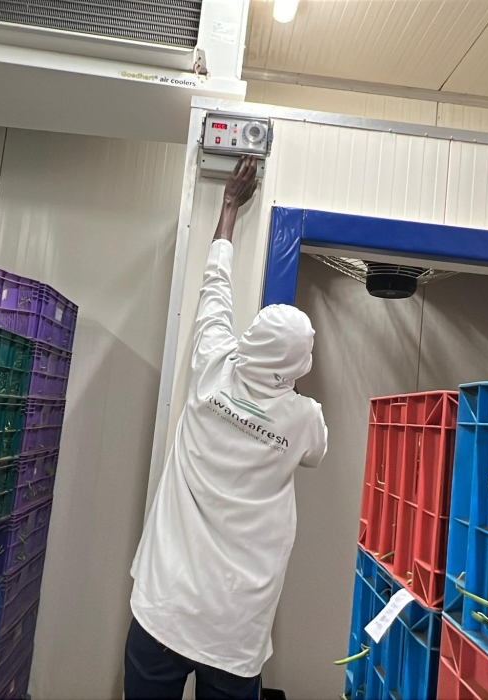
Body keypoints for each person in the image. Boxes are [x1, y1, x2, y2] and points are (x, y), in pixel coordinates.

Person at [126, 156, 329, 699]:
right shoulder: (304, 420)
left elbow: (214, 286)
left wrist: (230, 206)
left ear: (251, 339)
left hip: (164, 608)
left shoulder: (211, 367)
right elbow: (315, 454)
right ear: (299, 365)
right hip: (235, 628)